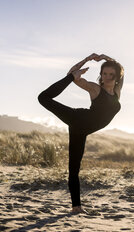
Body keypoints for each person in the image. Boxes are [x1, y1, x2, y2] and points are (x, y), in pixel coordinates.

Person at [38, 53, 124, 214]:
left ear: (117, 77)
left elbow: (122, 71)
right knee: (43, 98)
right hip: (77, 119)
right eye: (104, 73)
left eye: (111, 75)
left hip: (82, 130)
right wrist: (85, 61)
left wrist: (107, 58)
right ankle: (76, 206)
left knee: (74, 168)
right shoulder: (95, 88)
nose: (107, 77)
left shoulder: (117, 92)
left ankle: (76, 207)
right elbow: (72, 74)